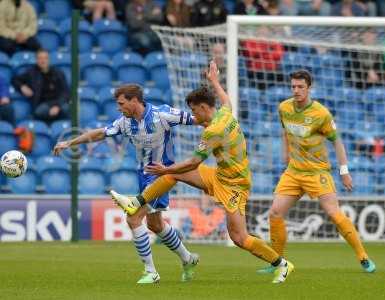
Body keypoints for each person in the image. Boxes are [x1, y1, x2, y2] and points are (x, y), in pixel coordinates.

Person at [110, 61, 294, 284]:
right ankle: (137, 202)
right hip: (218, 176)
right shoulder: (225, 112)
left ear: (204, 108)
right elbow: (225, 98)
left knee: (239, 237)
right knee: (171, 175)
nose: (194, 115)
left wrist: (165, 168)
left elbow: (193, 163)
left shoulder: (213, 131)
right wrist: (215, 81)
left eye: (194, 110)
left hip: (234, 185)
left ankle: (281, 264)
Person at [53, 84, 199, 284]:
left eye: (121, 103)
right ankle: (188, 259)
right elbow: (99, 133)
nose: (119, 108)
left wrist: (215, 136)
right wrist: (70, 143)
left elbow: (198, 119)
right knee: (155, 225)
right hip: (143, 175)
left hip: (162, 175)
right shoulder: (124, 122)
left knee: (133, 218)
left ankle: (151, 272)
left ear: (134, 100)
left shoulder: (162, 114)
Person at [257, 69, 376, 274]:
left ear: (309, 88)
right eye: (293, 86)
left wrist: (344, 171)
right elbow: (285, 131)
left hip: (317, 172)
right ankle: (277, 262)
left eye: (300, 87)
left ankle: (362, 256)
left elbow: (337, 141)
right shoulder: (283, 107)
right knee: (275, 212)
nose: (296, 90)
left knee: (333, 213)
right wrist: (286, 154)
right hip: (294, 171)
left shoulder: (321, 114)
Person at [11, 49, 69, 123]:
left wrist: (57, 106)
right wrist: (22, 87)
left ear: (49, 60)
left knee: (67, 109)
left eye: (45, 58)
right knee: (39, 111)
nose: (43, 61)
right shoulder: (31, 72)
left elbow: (65, 92)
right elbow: (14, 79)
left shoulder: (58, 73)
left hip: (58, 103)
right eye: (40, 58)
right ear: (36, 60)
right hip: (42, 104)